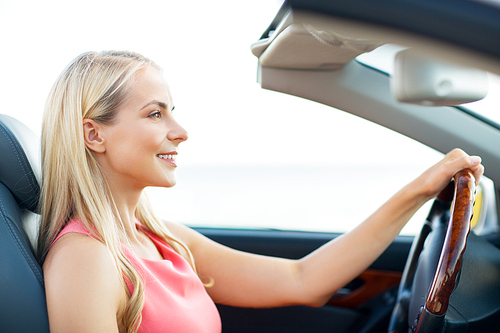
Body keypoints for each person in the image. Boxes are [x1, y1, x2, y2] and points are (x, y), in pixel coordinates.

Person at [38, 51, 484, 333]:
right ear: (94, 135)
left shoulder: (162, 239)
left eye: (172, 112)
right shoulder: (86, 258)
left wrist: (419, 190)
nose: (181, 131)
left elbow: (303, 281)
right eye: (155, 114)